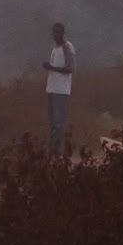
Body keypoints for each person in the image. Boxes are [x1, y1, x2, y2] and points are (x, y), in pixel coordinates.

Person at [42, 22, 75, 156]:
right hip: (51, 88)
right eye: (53, 32)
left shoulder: (67, 47)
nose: (55, 35)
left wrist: (52, 68)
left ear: (62, 33)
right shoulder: (55, 48)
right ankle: (53, 150)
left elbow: (70, 68)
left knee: (59, 122)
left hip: (60, 90)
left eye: (58, 32)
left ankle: (56, 152)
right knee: (52, 122)